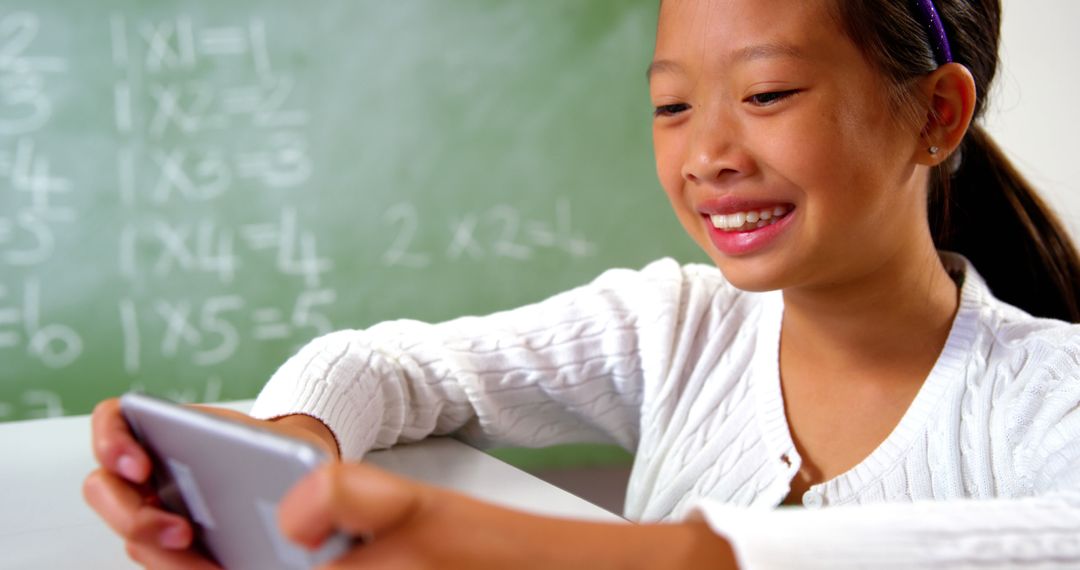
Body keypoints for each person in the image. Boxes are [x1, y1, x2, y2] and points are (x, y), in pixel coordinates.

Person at [84, 0, 1080, 567]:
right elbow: (393, 364)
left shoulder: (1044, 389)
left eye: (768, 94)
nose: (708, 154)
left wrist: (665, 558)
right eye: (673, 106)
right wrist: (289, 450)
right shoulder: (676, 326)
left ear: (937, 115)